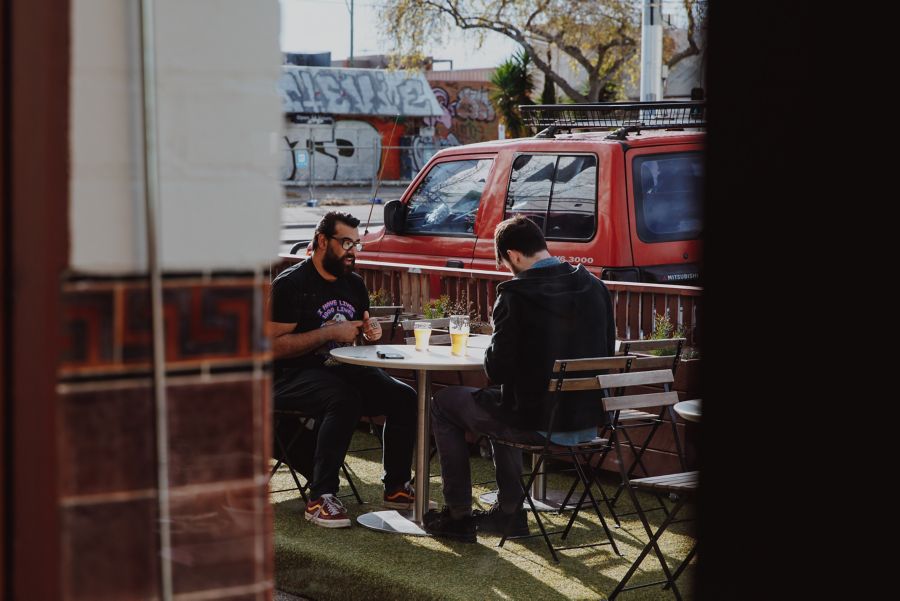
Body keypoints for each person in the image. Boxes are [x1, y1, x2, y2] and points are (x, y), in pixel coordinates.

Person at [423, 215, 616, 542]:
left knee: (444, 404)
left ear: (513, 255)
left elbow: (495, 368)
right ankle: (509, 512)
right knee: (501, 400)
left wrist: (489, 347)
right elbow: (606, 351)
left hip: (539, 423)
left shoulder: (516, 295)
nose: (504, 268)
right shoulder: (595, 286)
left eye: (503, 262)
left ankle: (459, 515)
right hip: (588, 422)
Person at [269, 211, 417, 528]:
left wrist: (370, 331)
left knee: (404, 396)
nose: (352, 251)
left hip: (343, 369)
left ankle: (396, 487)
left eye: (357, 244)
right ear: (323, 241)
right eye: (346, 242)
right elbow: (272, 347)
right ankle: (320, 498)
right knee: (344, 398)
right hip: (289, 376)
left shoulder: (354, 284)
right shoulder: (292, 284)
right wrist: (328, 333)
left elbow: (359, 328)